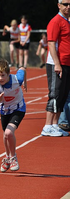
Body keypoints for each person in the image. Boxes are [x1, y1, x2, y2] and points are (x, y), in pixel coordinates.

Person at [0, 59, 27, 172]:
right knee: (6, 136)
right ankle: (7, 157)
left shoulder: (17, 79)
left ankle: (13, 157)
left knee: (9, 132)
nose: (0, 78)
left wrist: (25, 82)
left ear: (8, 73)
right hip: (5, 111)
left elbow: (23, 69)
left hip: (19, 108)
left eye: (2, 75)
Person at [41, 0, 70, 137]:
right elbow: (51, 44)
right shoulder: (56, 21)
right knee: (55, 94)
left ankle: (55, 124)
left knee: (63, 95)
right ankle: (47, 126)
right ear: (59, 5)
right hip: (56, 63)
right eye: (65, 4)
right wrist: (57, 64)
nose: (68, 7)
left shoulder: (66, 21)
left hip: (67, 63)